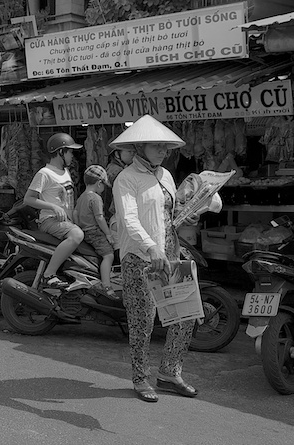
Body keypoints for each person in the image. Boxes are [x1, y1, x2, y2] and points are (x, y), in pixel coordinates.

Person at [111, 115, 199, 403]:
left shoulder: (166, 176)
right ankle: (140, 378)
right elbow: (129, 219)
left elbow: (169, 215)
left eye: (165, 147)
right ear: (140, 148)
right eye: (156, 146)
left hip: (170, 253)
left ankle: (169, 372)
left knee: (185, 316)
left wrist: (189, 214)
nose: (163, 151)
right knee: (143, 321)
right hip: (140, 258)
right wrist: (151, 248)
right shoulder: (126, 179)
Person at [23, 132, 84, 288]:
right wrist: (52, 206)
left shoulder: (65, 172)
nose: (72, 155)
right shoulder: (44, 173)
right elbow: (28, 198)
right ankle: (49, 274)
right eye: (70, 151)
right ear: (60, 152)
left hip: (66, 221)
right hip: (49, 220)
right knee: (77, 235)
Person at [73, 165, 117, 300]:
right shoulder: (96, 198)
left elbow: (75, 213)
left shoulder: (81, 197)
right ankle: (107, 286)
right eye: (104, 185)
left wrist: (79, 225)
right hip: (94, 232)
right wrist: (109, 234)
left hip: (84, 231)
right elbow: (99, 217)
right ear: (99, 183)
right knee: (109, 255)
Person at [104, 144, 135, 217]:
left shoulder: (113, 167)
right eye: (129, 151)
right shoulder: (117, 171)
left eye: (134, 151)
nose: (132, 154)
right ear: (117, 154)